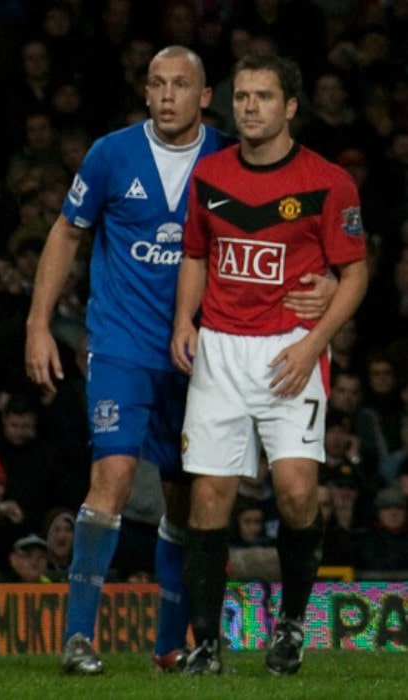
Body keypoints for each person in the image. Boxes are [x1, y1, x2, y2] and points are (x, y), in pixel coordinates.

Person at [25, 45, 335, 676]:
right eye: (157, 84)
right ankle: (78, 639)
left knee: (185, 502)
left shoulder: (230, 157)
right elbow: (66, 231)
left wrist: (327, 284)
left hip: (201, 350)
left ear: (203, 98)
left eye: (181, 85)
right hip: (121, 345)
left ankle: (172, 644)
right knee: (110, 478)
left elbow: (294, 227)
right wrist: (37, 323)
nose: (167, 95)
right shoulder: (111, 154)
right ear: (146, 93)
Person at [171, 53, 368, 676]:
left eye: (263, 97)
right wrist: (186, 321)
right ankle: (207, 643)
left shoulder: (328, 180)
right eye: (243, 96)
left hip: (292, 348)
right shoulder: (210, 174)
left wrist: (314, 345)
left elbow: (355, 271)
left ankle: (289, 626)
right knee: (209, 498)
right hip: (222, 349)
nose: (249, 106)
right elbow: (197, 254)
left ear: (290, 108)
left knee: (297, 493)